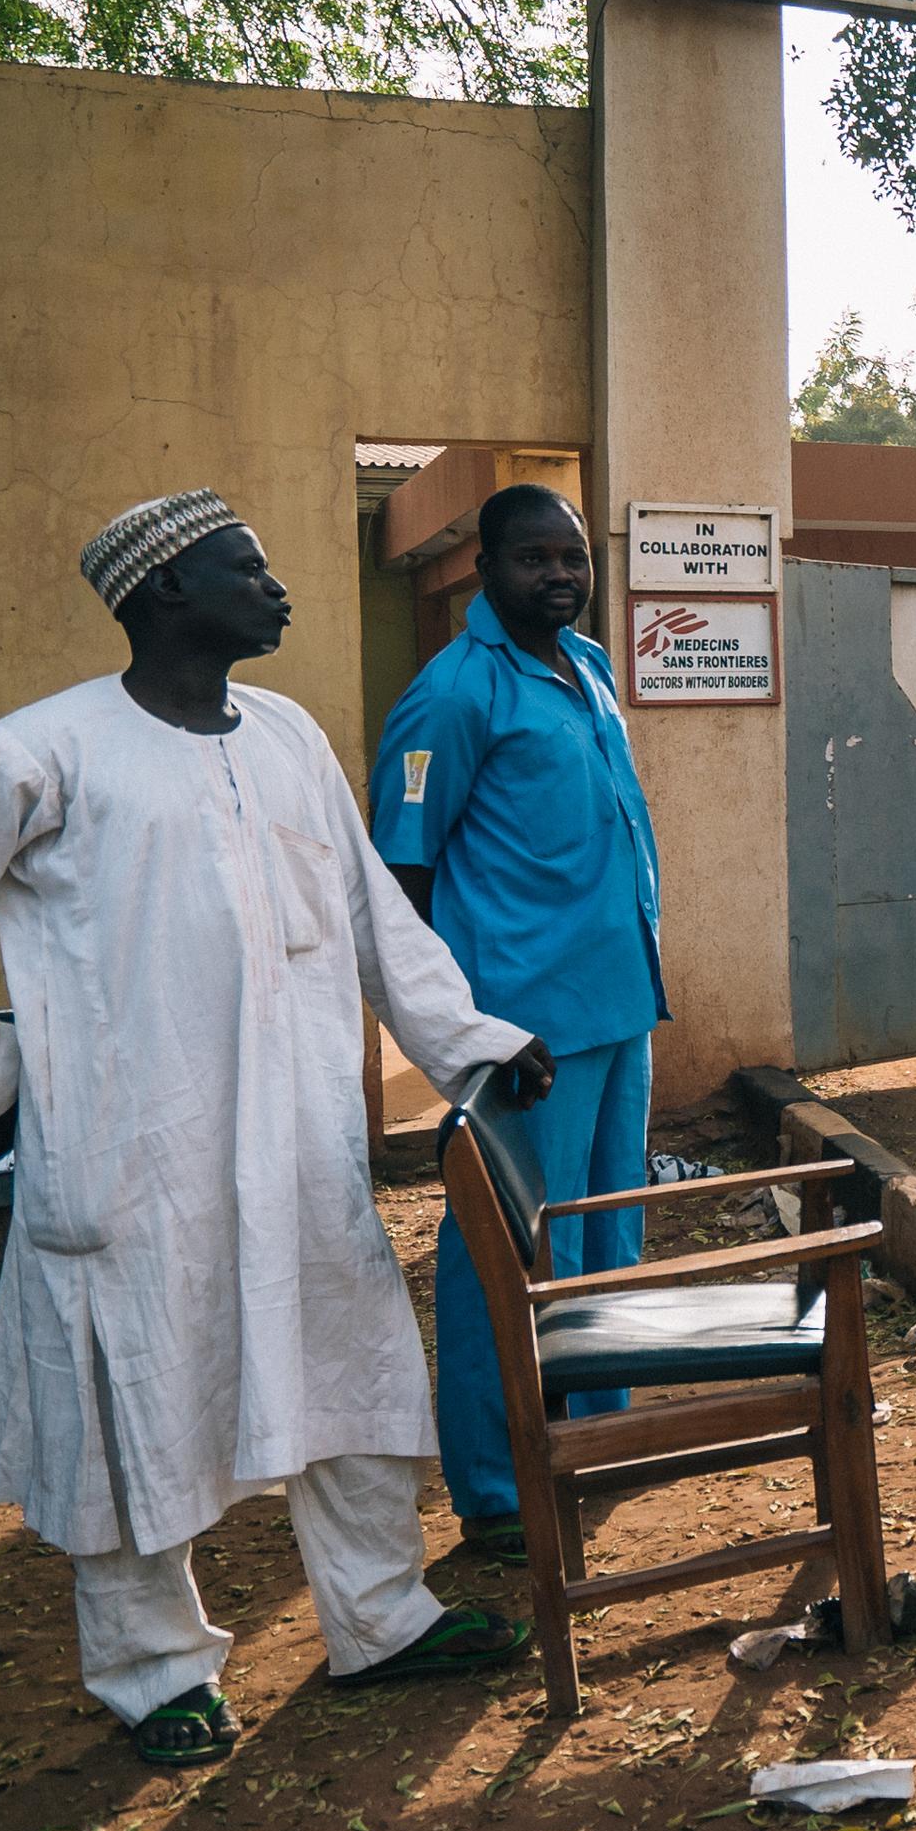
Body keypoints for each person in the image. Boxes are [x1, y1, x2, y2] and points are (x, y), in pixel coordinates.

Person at [0, 491, 554, 1771]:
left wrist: (475, 1044)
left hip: (299, 1136)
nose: (277, 591)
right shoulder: (32, 753)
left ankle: (382, 1620)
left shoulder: (287, 738)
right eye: (248, 569)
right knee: (134, 1402)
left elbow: (376, 916)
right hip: (133, 1154)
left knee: (352, 1372)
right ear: (168, 592)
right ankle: (154, 1671)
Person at [370, 484, 666, 1565]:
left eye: (574, 558)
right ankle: (497, 1485)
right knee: (505, 1248)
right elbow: (399, 879)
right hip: (522, 1038)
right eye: (536, 558)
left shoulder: (585, 671)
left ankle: (593, 1432)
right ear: (484, 568)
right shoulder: (451, 697)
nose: (560, 576)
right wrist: (453, 1028)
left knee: (601, 1232)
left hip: (620, 1006)